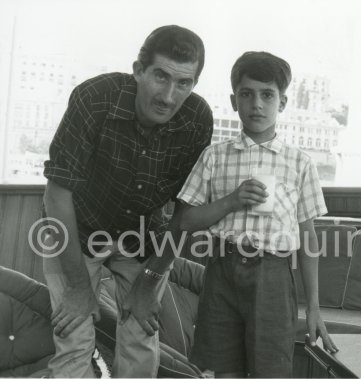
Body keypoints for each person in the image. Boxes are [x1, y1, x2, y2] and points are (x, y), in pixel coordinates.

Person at [42, 25, 213, 378]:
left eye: (184, 83)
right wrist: (77, 288)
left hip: (144, 235)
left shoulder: (197, 119)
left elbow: (184, 213)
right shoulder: (94, 99)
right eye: (160, 76)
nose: (168, 96)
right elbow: (57, 196)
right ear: (138, 70)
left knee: (140, 338)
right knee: (73, 338)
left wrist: (149, 284)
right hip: (76, 230)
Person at [170, 51, 338, 377]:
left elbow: (309, 238)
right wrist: (231, 201)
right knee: (221, 371)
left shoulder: (300, 163)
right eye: (246, 94)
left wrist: (314, 309)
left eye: (267, 95)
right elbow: (185, 221)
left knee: (270, 371)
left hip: (273, 276)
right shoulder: (215, 156)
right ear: (234, 101)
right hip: (220, 273)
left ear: (283, 102)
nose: (256, 104)